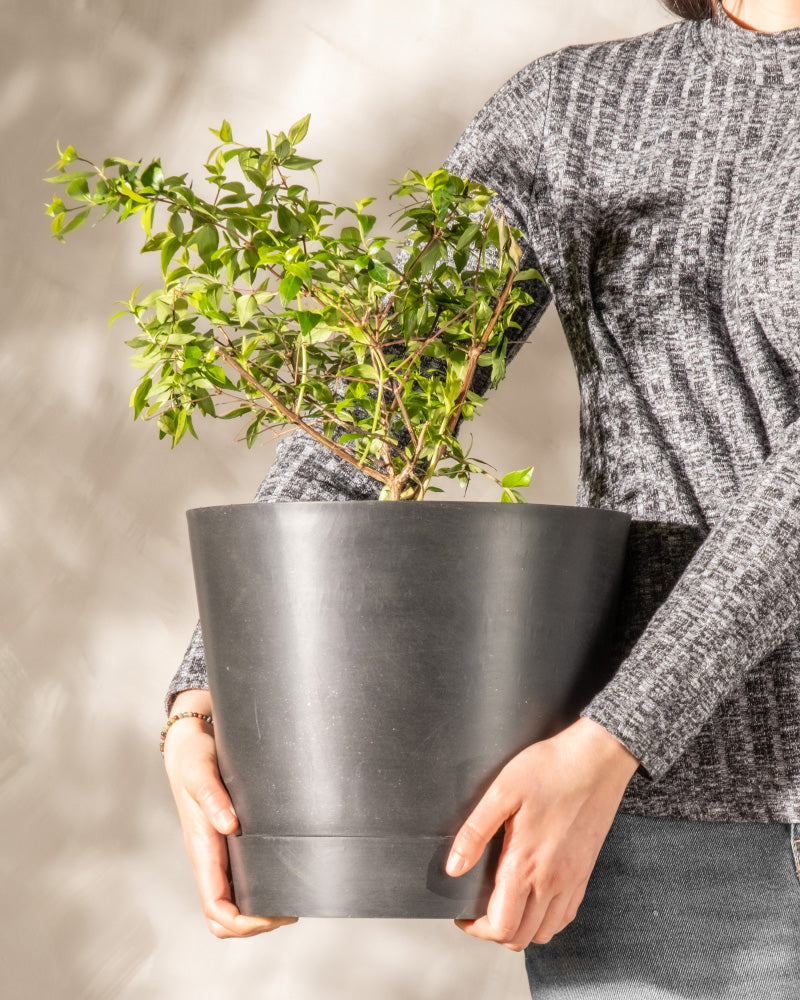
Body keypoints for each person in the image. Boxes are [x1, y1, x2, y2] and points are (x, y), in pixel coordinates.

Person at [161, 0, 800, 994]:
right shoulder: (573, 110)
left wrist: (613, 737)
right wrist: (209, 695)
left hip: (604, 771)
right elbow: (373, 407)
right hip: (643, 844)